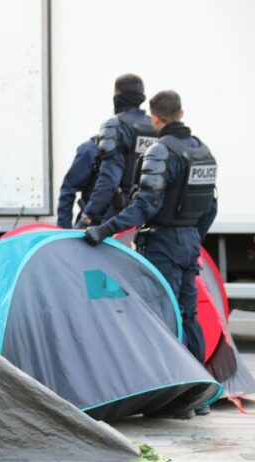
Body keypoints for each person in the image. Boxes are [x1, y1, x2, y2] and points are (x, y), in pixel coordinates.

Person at [83, 91, 217, 390]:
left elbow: (145, 205)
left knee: (162, 314)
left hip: (163, 243)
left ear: (155, 117)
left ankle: (169, 391)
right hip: (189, 241)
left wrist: (104, 230)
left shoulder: (161, 152)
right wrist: (194, 237)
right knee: (189, 314)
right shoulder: (202, 151)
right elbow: (211, 207)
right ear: (181, 112)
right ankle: (198, 391)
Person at [76, 74, 158, 228]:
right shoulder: (154, 127)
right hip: (147, 215)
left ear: (117, 96)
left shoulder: (116, 125)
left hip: (119, 215)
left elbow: (109, 180)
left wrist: (88, 216)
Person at [56, 138, 98, 228]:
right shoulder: (91, 149)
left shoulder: (132, 150)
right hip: (92, 225)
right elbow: (68, 190)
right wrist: (64, 231)